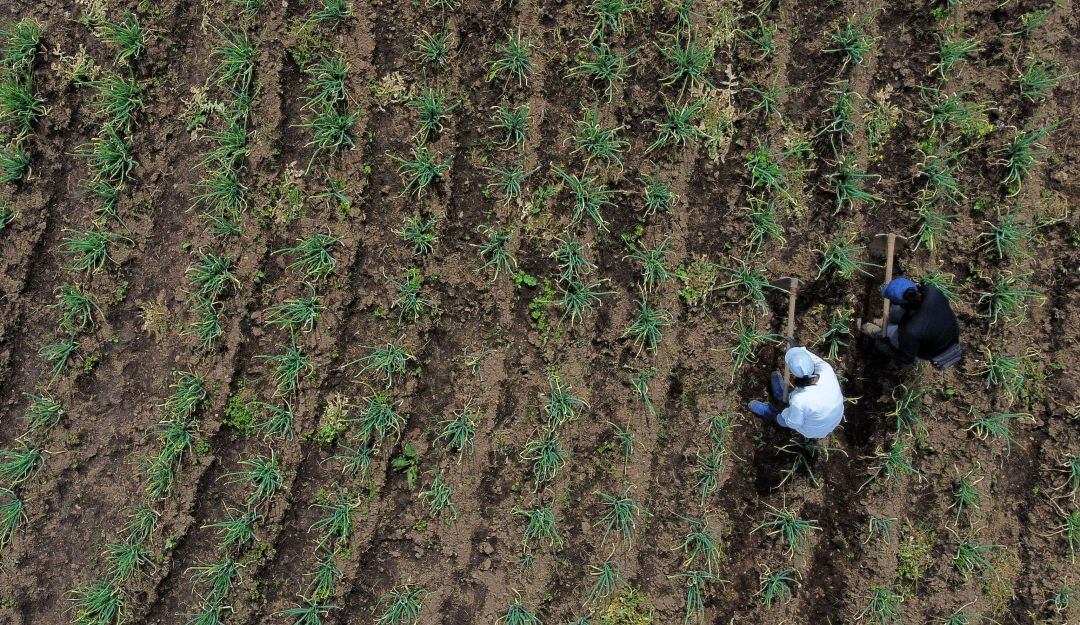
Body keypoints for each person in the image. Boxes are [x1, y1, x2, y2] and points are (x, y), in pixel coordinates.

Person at [861, 276, 962, 369]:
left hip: (934, 352)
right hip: (946, 331)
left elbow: (906, 359)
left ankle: (877, 332)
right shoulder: (932, 291)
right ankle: (887, 324)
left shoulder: (910, 331)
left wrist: (887, 348)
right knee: (896, 313)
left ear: (899, 304)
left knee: (890, 332)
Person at [748, 346, 845, 439]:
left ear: (793, 373)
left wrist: (785, 412)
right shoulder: (825, 369)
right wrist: (798, 349)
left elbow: (794, 423)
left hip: (815, 429)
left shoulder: (800, 400)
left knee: (783, 420)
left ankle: (769, 412)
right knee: (795, 402)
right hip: (835, 416)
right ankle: (781, 395)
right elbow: (811, 357)